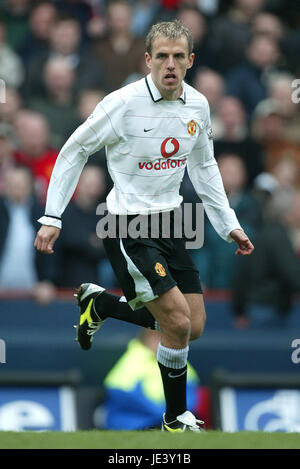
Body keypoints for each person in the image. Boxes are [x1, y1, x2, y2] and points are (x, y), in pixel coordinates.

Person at [34, 20, 254, 433]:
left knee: (195, 324)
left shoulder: (198, 105)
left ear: (190, 61)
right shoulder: (122, 103)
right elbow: (73, 151)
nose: (169, 64)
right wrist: (52, 216)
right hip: (127, 226)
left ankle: (100, 305)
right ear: (147, 60)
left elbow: (204, 166)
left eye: (178, 57)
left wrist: (230, 225)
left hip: (172, 222)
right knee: (176, 323)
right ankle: (174, 418)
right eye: (162, 57)